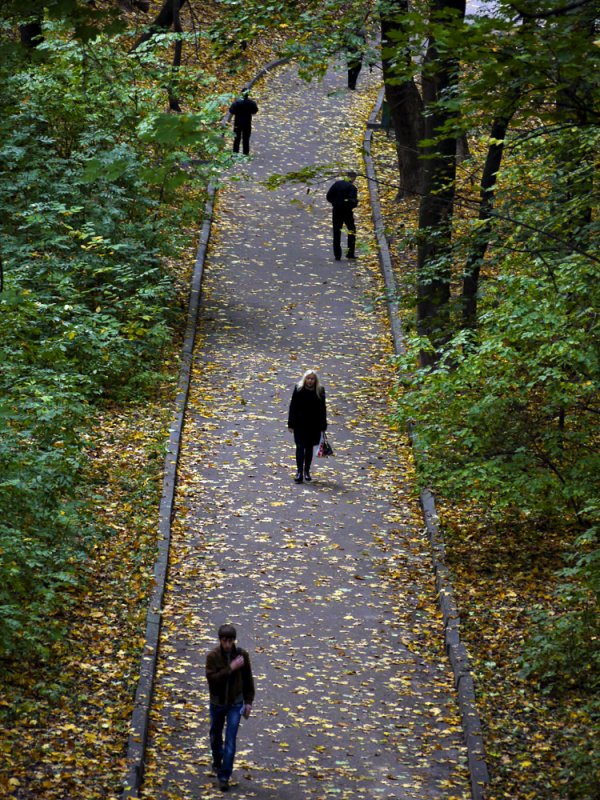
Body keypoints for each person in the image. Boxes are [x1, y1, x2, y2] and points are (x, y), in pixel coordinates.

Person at [205, 624, 255, 792]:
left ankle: (224, 775)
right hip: (218, 703)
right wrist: (230, 668)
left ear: (234, 640)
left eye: (230, 641)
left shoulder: (242, 656)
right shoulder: (213, 656)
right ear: (220, 640)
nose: (227, 644)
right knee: (215, 735)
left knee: (231, 740)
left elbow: (248, 680)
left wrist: (248, 702)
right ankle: (217, 761)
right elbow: (212, 680)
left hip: (235, 703)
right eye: (224, 641)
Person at [287, 369, 328, 483]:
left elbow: (323, 409)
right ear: (305, 379)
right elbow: (293, 407)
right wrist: (290, 424)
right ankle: (299, 472)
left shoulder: (320, 391)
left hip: (313, 425)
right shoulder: (298, 389)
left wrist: (323, 425)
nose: (310, 381)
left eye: (312, 379)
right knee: (300, 447)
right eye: (308, 378)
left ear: (315, 380)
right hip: (300, 424)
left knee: (309, 448)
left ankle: (307, 471)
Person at [326, 171, 358, 261]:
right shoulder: (352, 188)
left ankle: (337, 255)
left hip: (336, 210)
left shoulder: (337, 184)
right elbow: (353, 201)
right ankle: (350, 253)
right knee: (351, 230)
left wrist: (335, 203)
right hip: (347, 212)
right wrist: (349, 205)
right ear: (353, 178)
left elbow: (328, 196)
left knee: (337, 232)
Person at [228, 87, 258, 155]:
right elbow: (255, 111)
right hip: (247, 122)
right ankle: (245, 153)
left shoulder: (237, 102)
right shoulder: (251, 103)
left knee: (236, 139)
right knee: (246, 138)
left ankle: (235, 152)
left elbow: (231, 110)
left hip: (238, 122)